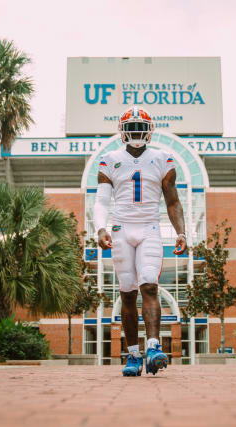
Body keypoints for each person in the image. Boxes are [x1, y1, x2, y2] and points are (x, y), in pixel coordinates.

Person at [93, 106, 187, 376]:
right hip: (121, 229)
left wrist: (181, 232)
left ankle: (154, 346)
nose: (136, 133)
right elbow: (101, 200)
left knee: (149, 285)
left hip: (149, 228)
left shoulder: (162, 158)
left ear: (149, 131)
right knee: (127, 292)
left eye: (140, 128)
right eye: (131, 128)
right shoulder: (109, 159)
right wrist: (100, 228)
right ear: (122, 132)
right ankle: (133, 354)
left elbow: (173, 202)